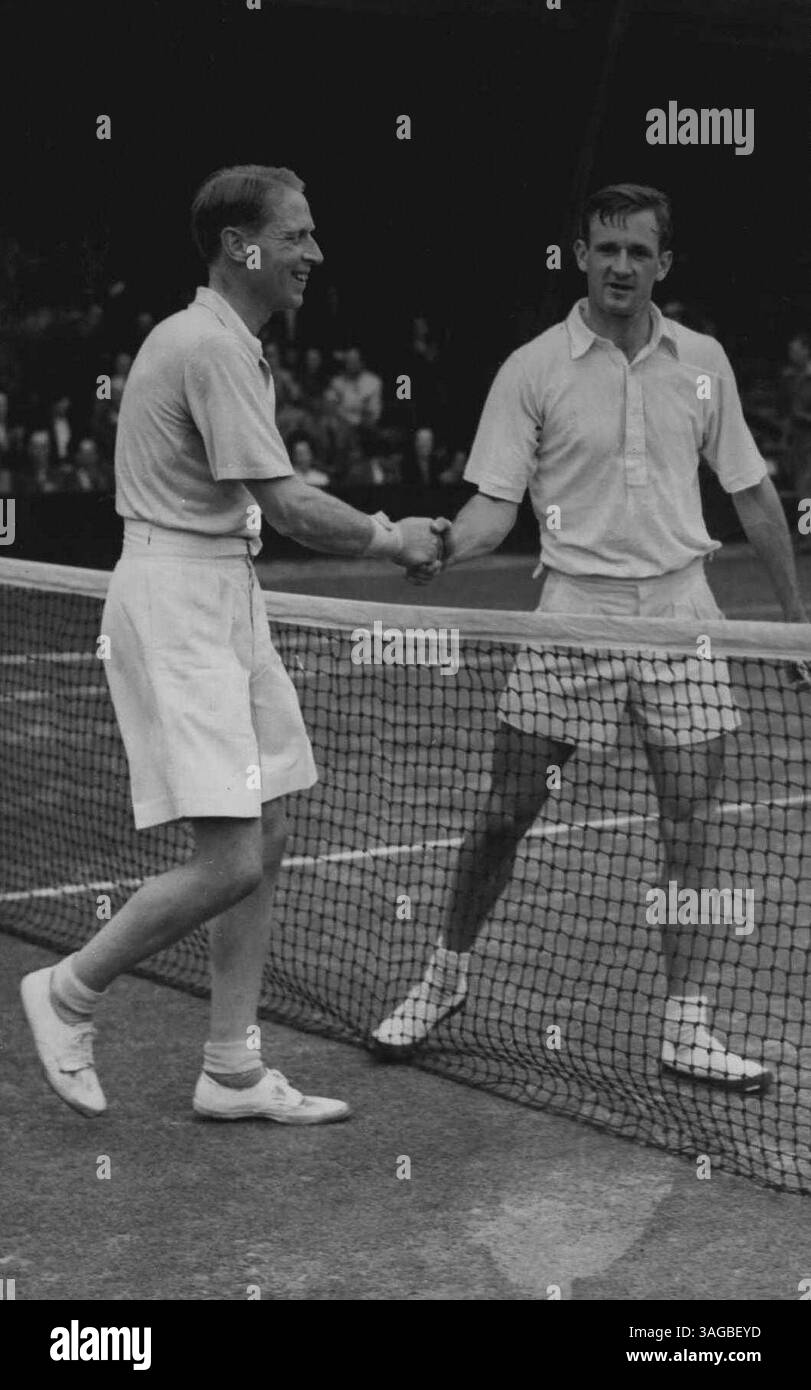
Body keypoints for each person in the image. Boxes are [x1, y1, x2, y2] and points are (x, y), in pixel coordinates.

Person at [21, 163, 447, 1125]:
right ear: (238, 246)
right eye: (296, 235)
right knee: (229, 862)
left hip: (223, 589)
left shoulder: (231, 345)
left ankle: (231, 1068)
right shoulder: (207, 346)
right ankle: (68, 992)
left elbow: (265, 506)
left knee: (276, 821)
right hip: (178, 602)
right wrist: (390, 538)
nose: (313, 253)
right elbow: (288, 502)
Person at [372, 182, 808, 1092]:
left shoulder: (704, 362)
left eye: (638, 252)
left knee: (691, 828)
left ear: (663, 264)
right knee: (503, 815)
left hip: (682, 615)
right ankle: (443, 980)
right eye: (605, 249)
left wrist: (794, 625)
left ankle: (685, 1025)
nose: (620, 266)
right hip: (572, 611)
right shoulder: (530, 369)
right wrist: (440, 548)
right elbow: (493, 507)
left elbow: (753, 494)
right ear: (579, 255)